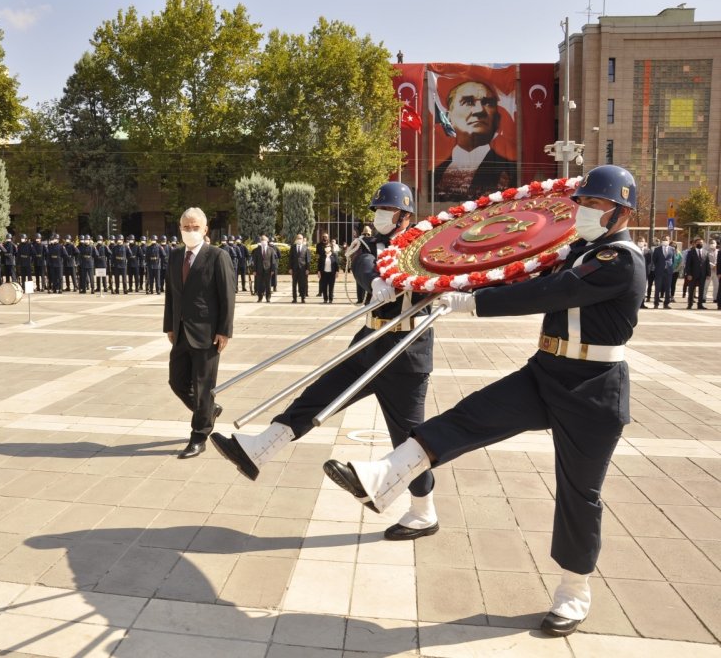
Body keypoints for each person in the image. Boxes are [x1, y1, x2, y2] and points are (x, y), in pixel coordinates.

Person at [323, 165, 645, 637]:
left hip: (593, 389)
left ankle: (574, 591)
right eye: (583, 203)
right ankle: (385, 474)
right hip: (547, 370)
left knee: (579, 493)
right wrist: (464, 282)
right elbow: (518, 271)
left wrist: (474, 302)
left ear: (620, 211)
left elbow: (552, 291)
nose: (584, 213)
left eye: (595, 205)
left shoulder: (621, 258)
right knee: (471, 415)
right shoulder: (576, 250)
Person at [212, 181, 441, 542]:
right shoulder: (368, 243)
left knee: (409, 441)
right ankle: (259, 450)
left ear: (405, 215)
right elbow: (364, 263)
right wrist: (376, 279)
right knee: (315, 397)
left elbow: (440, 275)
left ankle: (424, 512)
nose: (380, 216)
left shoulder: (427, 243)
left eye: (388, 211)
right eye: (378, 210)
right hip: (369, 343)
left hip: (407, 353)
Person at [164, 207, 235, 459]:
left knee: (203, 385)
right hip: (181, 332)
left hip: (208, 334)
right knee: (177, 381)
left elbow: (227, 295)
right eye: (186, 227)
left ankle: (199, 435)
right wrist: (169, 326)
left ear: (205, 230)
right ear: (179, 229)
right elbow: (171, 294)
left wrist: (224, 331)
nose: (190, 231)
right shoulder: (174, 256)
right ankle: (208, 410)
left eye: (195, 227)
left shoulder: (217, 256)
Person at [433, 80, 517, 202]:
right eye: (468, 102)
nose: (479, 110)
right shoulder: (435, 174)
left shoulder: (510, 172)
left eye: (488, 103)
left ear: (497, 119)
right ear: (449, 117)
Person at [251, 235, 278, 303]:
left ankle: (268, 298)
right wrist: (254, 270)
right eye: (262, 240)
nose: (263, 241)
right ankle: (260, 297)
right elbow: (255, 261)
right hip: (259, 270)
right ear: (260, 241)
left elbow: (273, 261)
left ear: (267, 241)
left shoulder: (271, 249)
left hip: (268, 270)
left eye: (264, 240)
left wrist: (272, 270)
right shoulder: (257, 250)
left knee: (268, 284)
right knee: (260, 284)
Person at [651, 236, 675, 308]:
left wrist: (669, 267)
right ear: (661, 241)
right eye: (663, 240)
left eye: (666, 240)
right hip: (659, 271)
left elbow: (673, 260)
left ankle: (666, 303)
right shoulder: (657, 249)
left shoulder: (672, 249)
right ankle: (656, 303)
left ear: (669, 240)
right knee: (657, 288)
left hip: (668, 271)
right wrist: (659, 266)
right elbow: (654, 260)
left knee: (668, 288)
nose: (665, 241)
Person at [685, 236, 709, 309]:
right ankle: (690, 304)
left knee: (701, 290)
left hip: (703, 274)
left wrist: (708, 274)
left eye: (701, 243)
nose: (700, 244)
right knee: (691, 290)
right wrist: (688, 274)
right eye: (698, 243)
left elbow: (707, 264)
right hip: (693, 274)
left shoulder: (705, 252)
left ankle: (700, 304)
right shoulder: (690, 252)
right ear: (695, 244)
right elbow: (688, 264)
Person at [317, 232, 340, 303]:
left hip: (332, 273)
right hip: (324, 273)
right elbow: (319, 264)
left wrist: (337, 272)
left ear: (331, 248)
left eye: (329, 247)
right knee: (324, 286)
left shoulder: (334, 255)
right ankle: (325, 299)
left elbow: (336, 264)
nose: (327, 248)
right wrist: (318, 272)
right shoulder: (322, 256)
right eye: (326, 247)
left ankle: (330, 299)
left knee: (331, 287)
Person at [289, 234, 311, 303]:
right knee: (294, 284)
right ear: (296, 239)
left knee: (303, 284)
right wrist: (290, 268)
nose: (299, 239)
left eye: (300, 238)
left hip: (303, 269)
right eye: (298, 238)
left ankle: (303, 298)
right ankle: (294, 298)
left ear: (302, 239)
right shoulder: (293, 247)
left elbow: (308, 259)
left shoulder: (305, 248)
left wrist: (308, 269)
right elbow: (290, 259)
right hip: (294, 269)